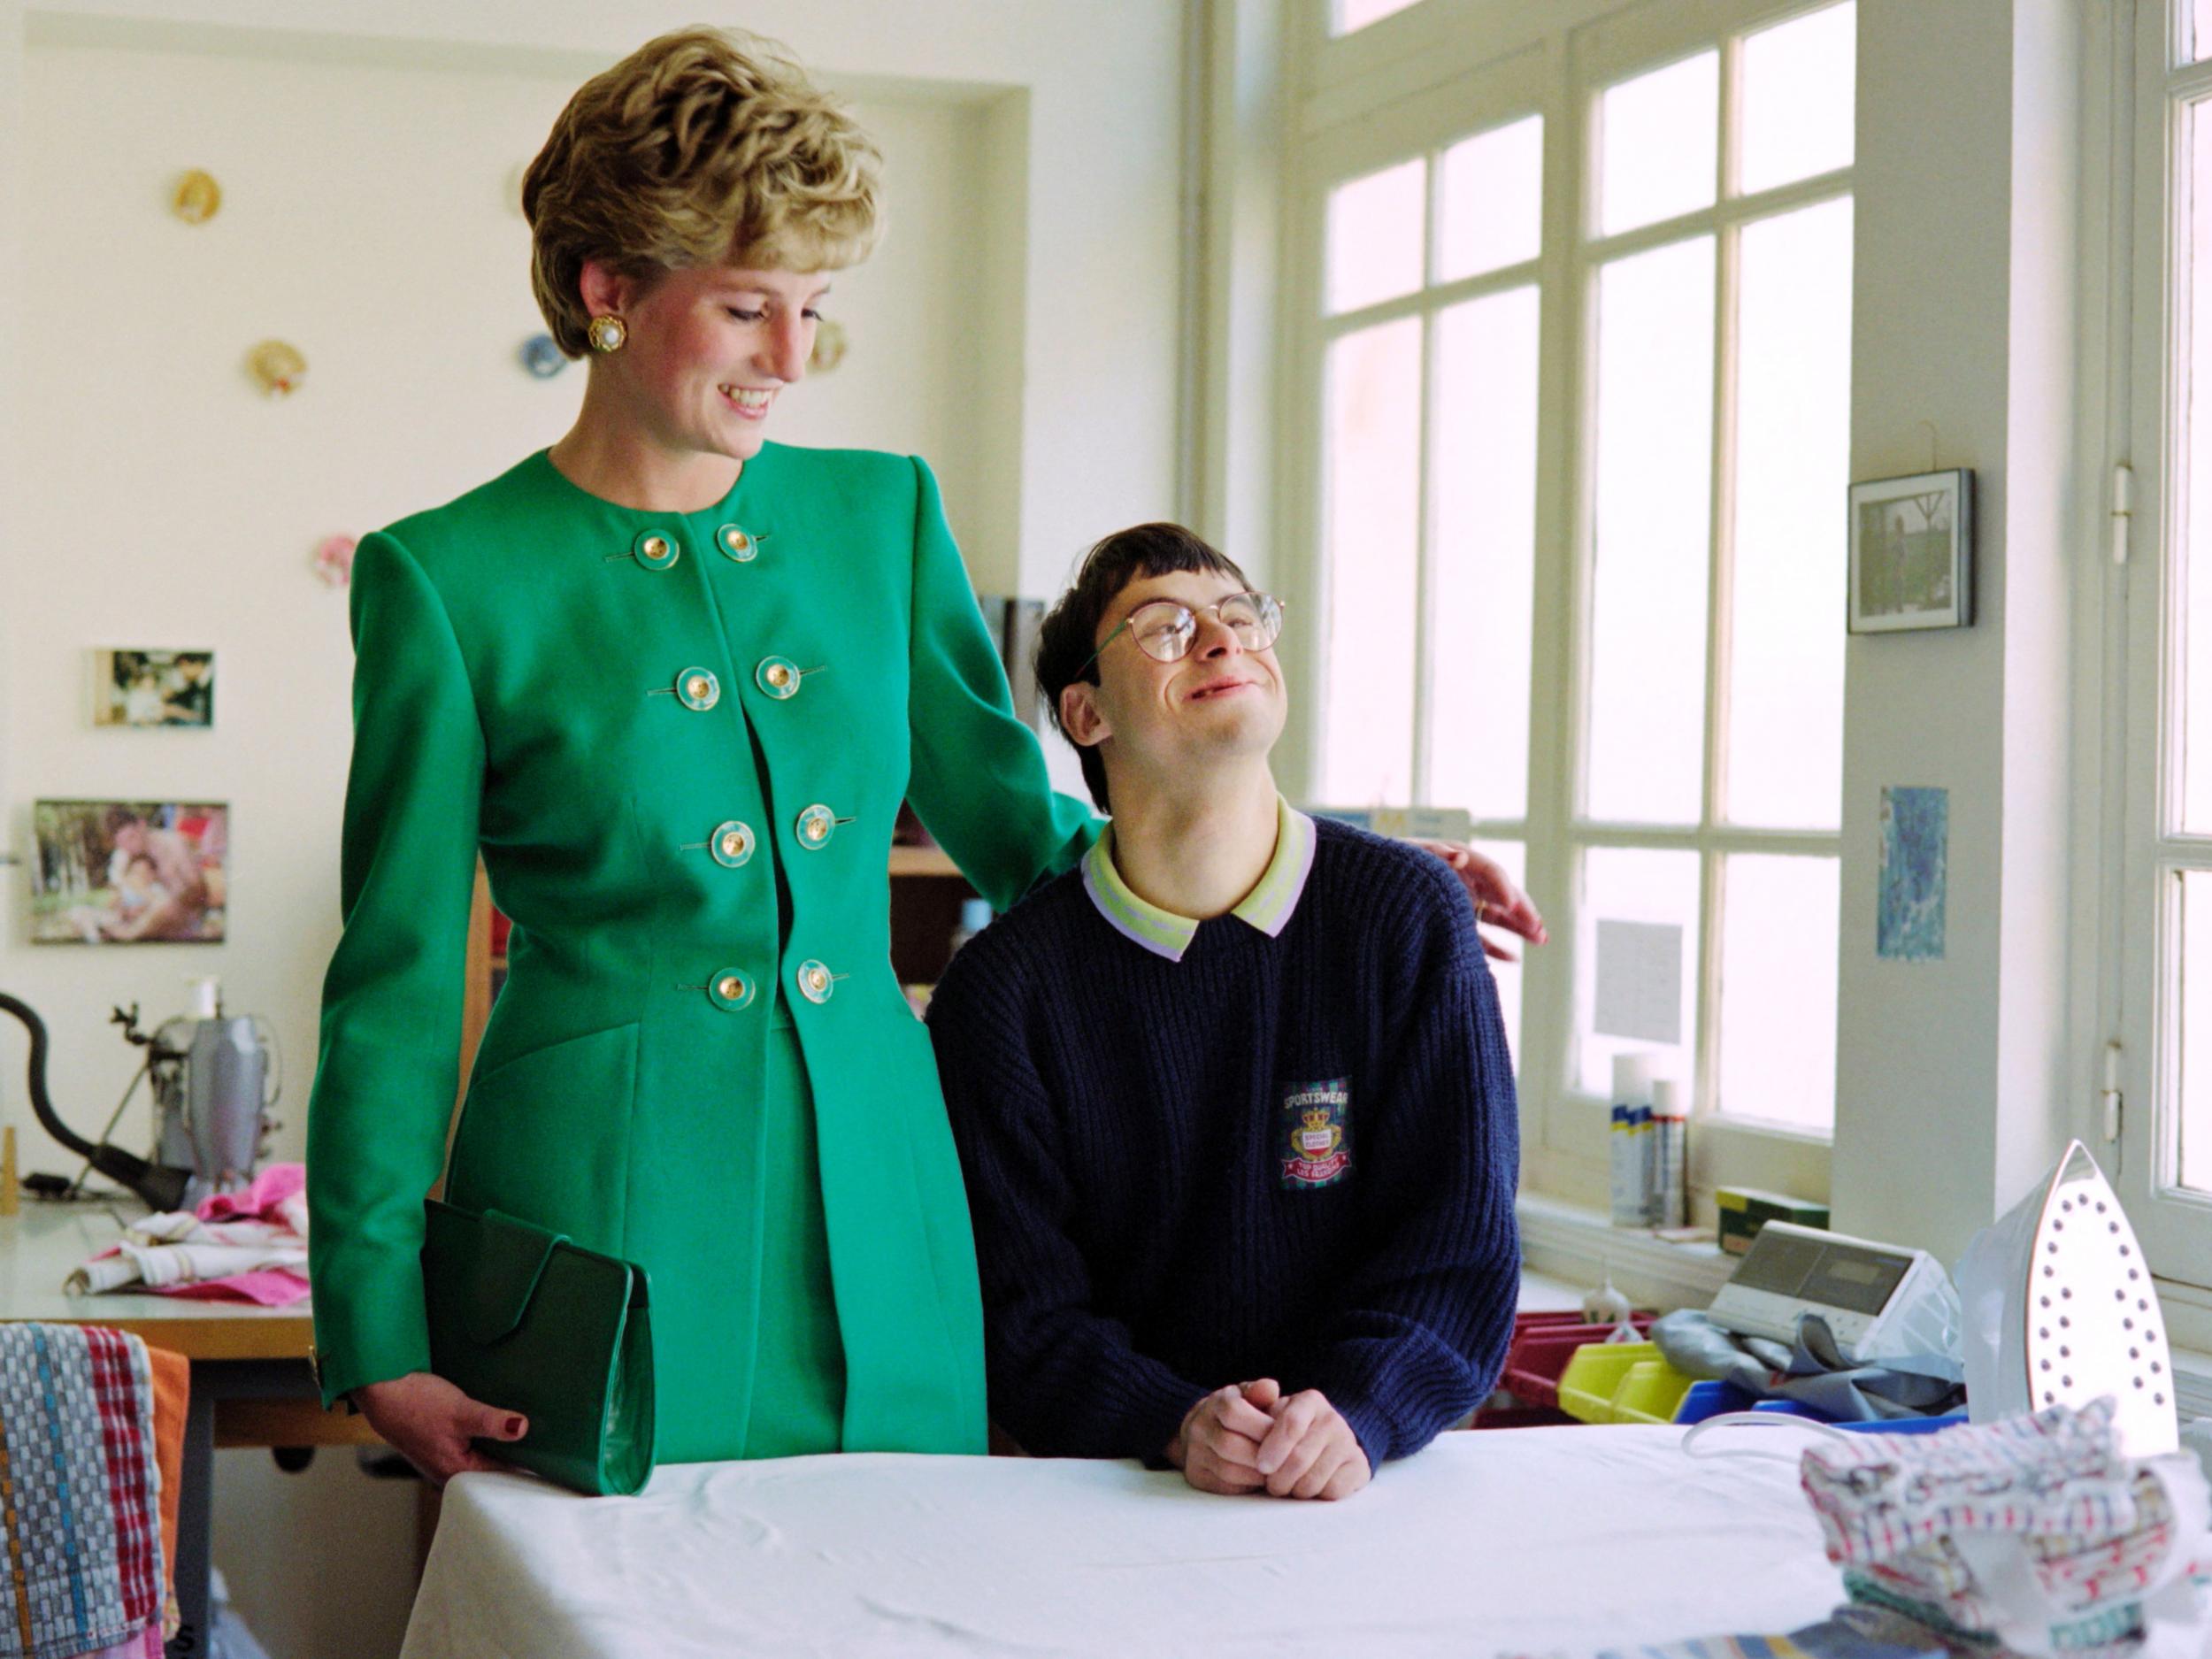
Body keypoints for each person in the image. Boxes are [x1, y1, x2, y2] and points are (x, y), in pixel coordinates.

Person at [307, 26, 1543, 1488]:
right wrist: (376, 1335)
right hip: (597, 1207)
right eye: (749, 309)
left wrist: (1341, 876)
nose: (790, 360)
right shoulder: (448, 577)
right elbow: (389, 982)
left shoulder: (880, 516)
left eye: (814, 310)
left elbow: (1039, 836)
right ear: (608, 292)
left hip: (888, 1188)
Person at [927, 524, 1522, 1502]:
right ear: (1084, 713)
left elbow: (1457, 1251)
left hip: (1375, 1493)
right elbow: (1021, 1315)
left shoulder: (1406, 917)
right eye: (1162, 628)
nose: (1221, 640)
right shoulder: (1002, 993)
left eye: (1239, 615)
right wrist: (1171, 1421)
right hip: (1120, 1502)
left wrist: (1357, 1410)